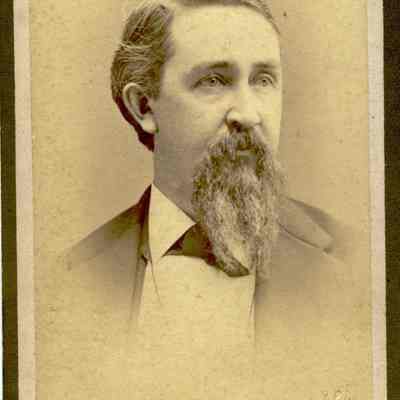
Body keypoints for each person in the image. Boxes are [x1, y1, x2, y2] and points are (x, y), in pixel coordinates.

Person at [65, 1, 364, 398]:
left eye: (263, 80)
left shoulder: (362, 266)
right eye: (213, 81)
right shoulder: (69, 283)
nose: (248, 114)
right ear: (144, 107)